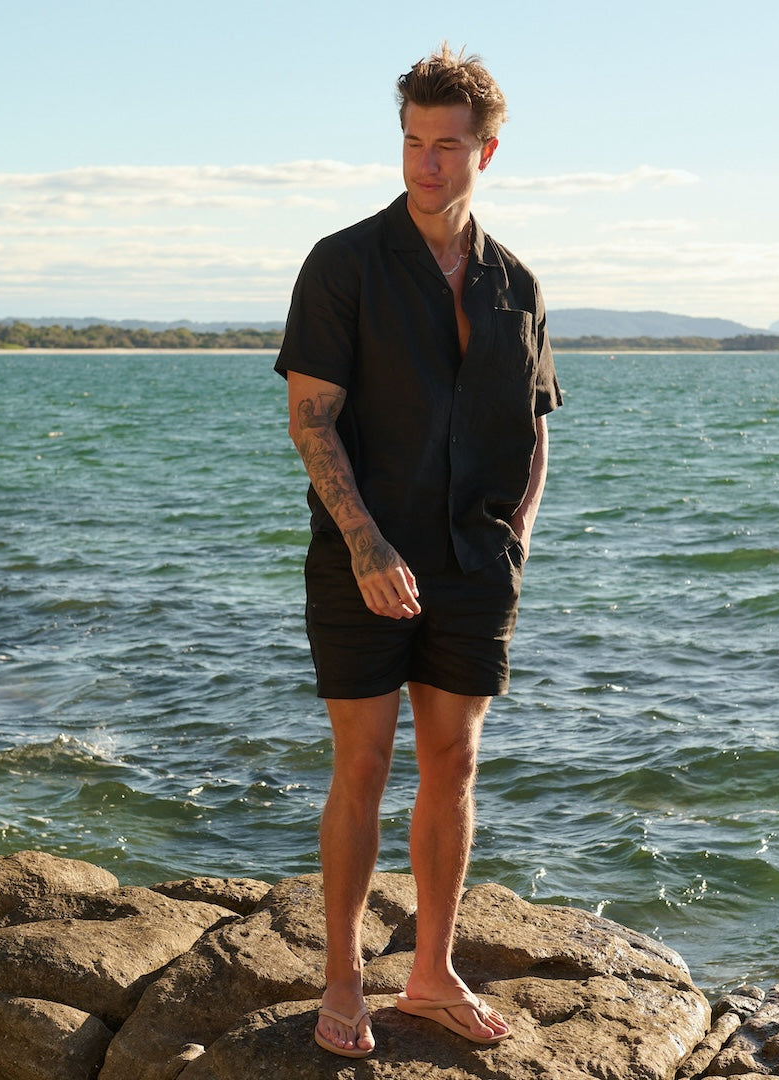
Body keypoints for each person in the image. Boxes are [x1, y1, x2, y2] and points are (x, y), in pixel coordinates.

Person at [275, 44, 562, 1059]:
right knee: (363, 763)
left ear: (487, 151)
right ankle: (344, 976)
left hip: (474, 564)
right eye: (412, 142)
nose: (426, 163)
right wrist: (365, 545)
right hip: (362, 553)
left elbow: (535, 428)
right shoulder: (344, 263)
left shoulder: (516, 283)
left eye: (446, 146)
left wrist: (514, 542)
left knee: (455, 762)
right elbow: (312, 420)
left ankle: (432, 974)